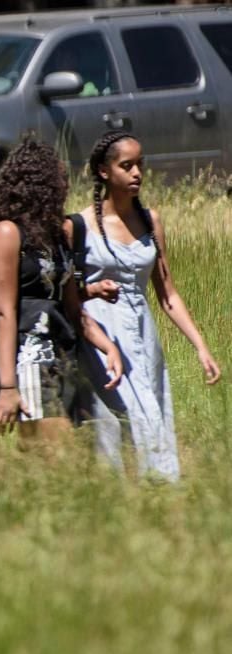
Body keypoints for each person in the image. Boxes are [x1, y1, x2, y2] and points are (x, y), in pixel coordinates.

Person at [67, 130, 221, 480]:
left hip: (141, 332)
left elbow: (168, 292)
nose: (137, 173)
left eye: (140, 165)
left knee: (152, 413)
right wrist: (91, 289)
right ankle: (114, 499)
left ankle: (159, 492)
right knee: (117, 419)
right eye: (127, 166)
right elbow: (68, 292)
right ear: (105, 172)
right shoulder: (80, 225)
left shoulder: (150, 221)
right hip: (101, 335)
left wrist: (200, 347)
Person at [0, 139, 122, 443]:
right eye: (59, 178)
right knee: (52, 454)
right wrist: (6, 388)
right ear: (40, 183)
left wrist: (108, 347)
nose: (65, 186)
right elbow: (4, 313)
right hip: (29, 361)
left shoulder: (59, 235)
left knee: (76, 454)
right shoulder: (7, 233)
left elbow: (74, 308)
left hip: (65, 357)